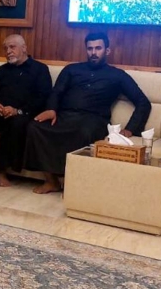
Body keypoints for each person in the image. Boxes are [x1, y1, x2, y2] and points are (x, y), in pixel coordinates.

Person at [24, 32, 151, 194]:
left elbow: (143, 102)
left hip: (94, 119)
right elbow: (56, 92)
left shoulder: (117, 75)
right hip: (64, 116)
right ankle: (51, 181)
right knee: (35, 127)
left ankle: (76, 185)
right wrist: (51, 109)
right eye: (90, 48)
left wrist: (130, 129)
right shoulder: (71, 69)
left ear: (107, 51)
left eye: (98, 48)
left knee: (85, 132)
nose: (93, 52)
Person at [0, 35, 52, 186]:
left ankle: (2, 171)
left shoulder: (40, 69)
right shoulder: (1, 71)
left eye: (12, 47)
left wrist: (18, 111)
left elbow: (42, 98)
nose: (8, 51)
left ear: (24, 48)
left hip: (24, 113)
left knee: (16, 124)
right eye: (5, 48)